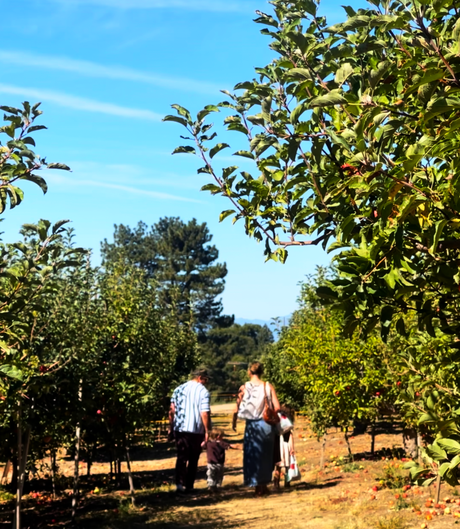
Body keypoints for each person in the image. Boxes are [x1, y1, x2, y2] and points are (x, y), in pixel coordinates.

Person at [232, 361, 280, 496]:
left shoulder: (244, 387)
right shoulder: (267, 386)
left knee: (252, 455)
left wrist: (234, 422)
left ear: (249, 372)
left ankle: (256, 485)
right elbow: (277, 407)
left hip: (251, 425)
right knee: (265, 455)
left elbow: (237, 407)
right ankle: (263, 485)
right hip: (265, 425)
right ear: (261, 372)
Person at [169, 368, 211, 493]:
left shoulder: (178, 389)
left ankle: (179, 485)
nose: (206, 382)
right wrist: (207, 431)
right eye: (206, 379)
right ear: (200, 378)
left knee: (181, 457)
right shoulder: (203, 391)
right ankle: (189, 485)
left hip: (180, 429)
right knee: (193, 459)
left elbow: (172, 410)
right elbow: (204, 413)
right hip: (196, 430)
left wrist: (170, 428)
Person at [273, 406, 295, 489]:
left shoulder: (278, 420)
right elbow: (290, 435)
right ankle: (287, 483)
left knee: (278, 466)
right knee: (287, 466)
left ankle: (276, 484)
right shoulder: (288, 423)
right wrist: (292, 448)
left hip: (278, 444)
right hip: (286, 444)